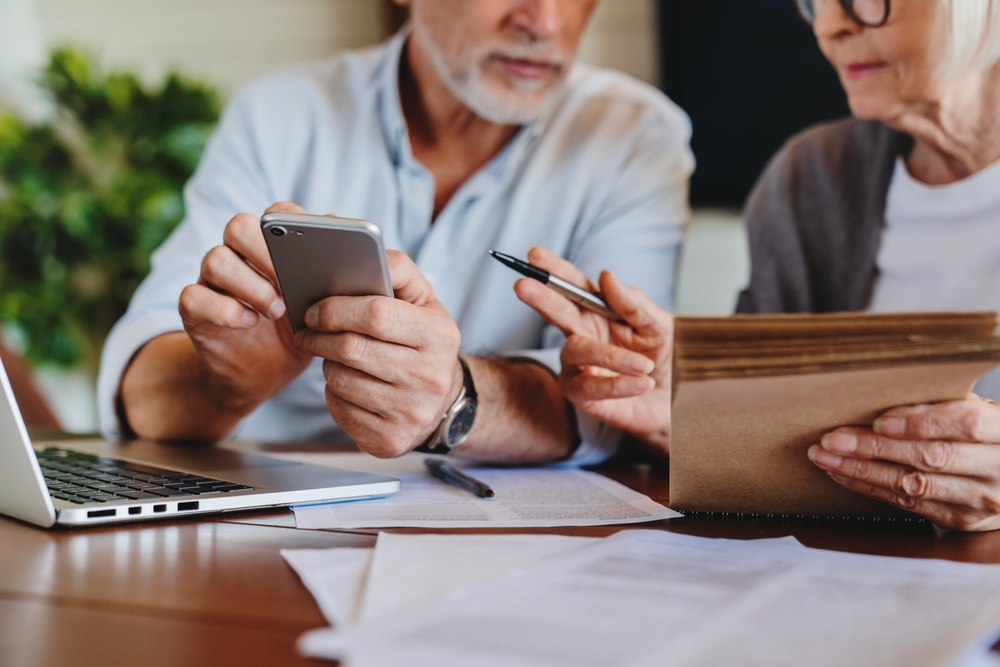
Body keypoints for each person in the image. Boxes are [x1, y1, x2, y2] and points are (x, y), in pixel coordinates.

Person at [96, 0, 694, 466]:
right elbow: (138, 391)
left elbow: (621, 399)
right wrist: (225, 382)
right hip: (263, 534)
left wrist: (454, 397)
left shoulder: (637, 138)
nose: (546, 20)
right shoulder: (277, 116)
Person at [516, 0, 1000, 530]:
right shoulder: (809, 179)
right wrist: (696, 412)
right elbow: (795, 458)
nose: (831, 27)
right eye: (818, 3)